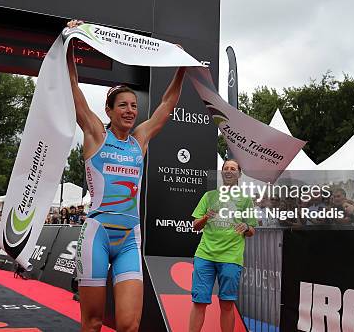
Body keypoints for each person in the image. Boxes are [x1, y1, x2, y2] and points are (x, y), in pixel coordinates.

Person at [66, 19, 187, 332]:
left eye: (134, 105)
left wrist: (181, 66)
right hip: (97, 236)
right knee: (92, 323)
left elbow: (167, 105)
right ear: (108, 111)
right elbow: (74, 91)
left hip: (130, 240)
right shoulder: (95, 134)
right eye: (123, 105)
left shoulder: (140, 140)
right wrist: (70, 45)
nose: (131, 111)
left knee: (129, 326)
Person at [189, 159, 256, 332]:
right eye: (226, 168)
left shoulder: (246, 200)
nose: (229, 171)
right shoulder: (209, 196)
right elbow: (195, 225)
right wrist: (206, 217)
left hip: (231, 257)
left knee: (227, 303)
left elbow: (252, 230)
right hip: (205, 255)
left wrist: (246, 227)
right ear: (221, 173)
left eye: (233, 168)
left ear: (239, 174)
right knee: (199, 302)